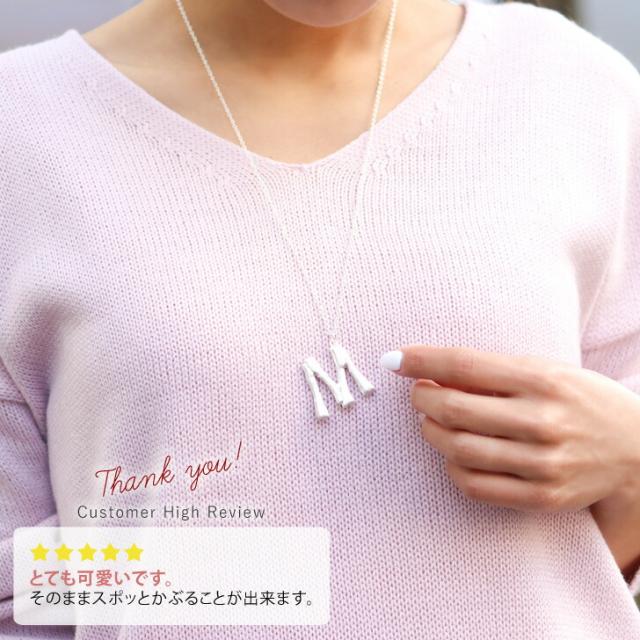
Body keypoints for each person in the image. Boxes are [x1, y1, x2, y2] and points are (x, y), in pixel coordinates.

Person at [1, 0, 639, 637]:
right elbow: (19, 592)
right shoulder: (22, 129)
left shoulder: (573, 86)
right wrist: (271, 573)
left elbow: (598, 565)